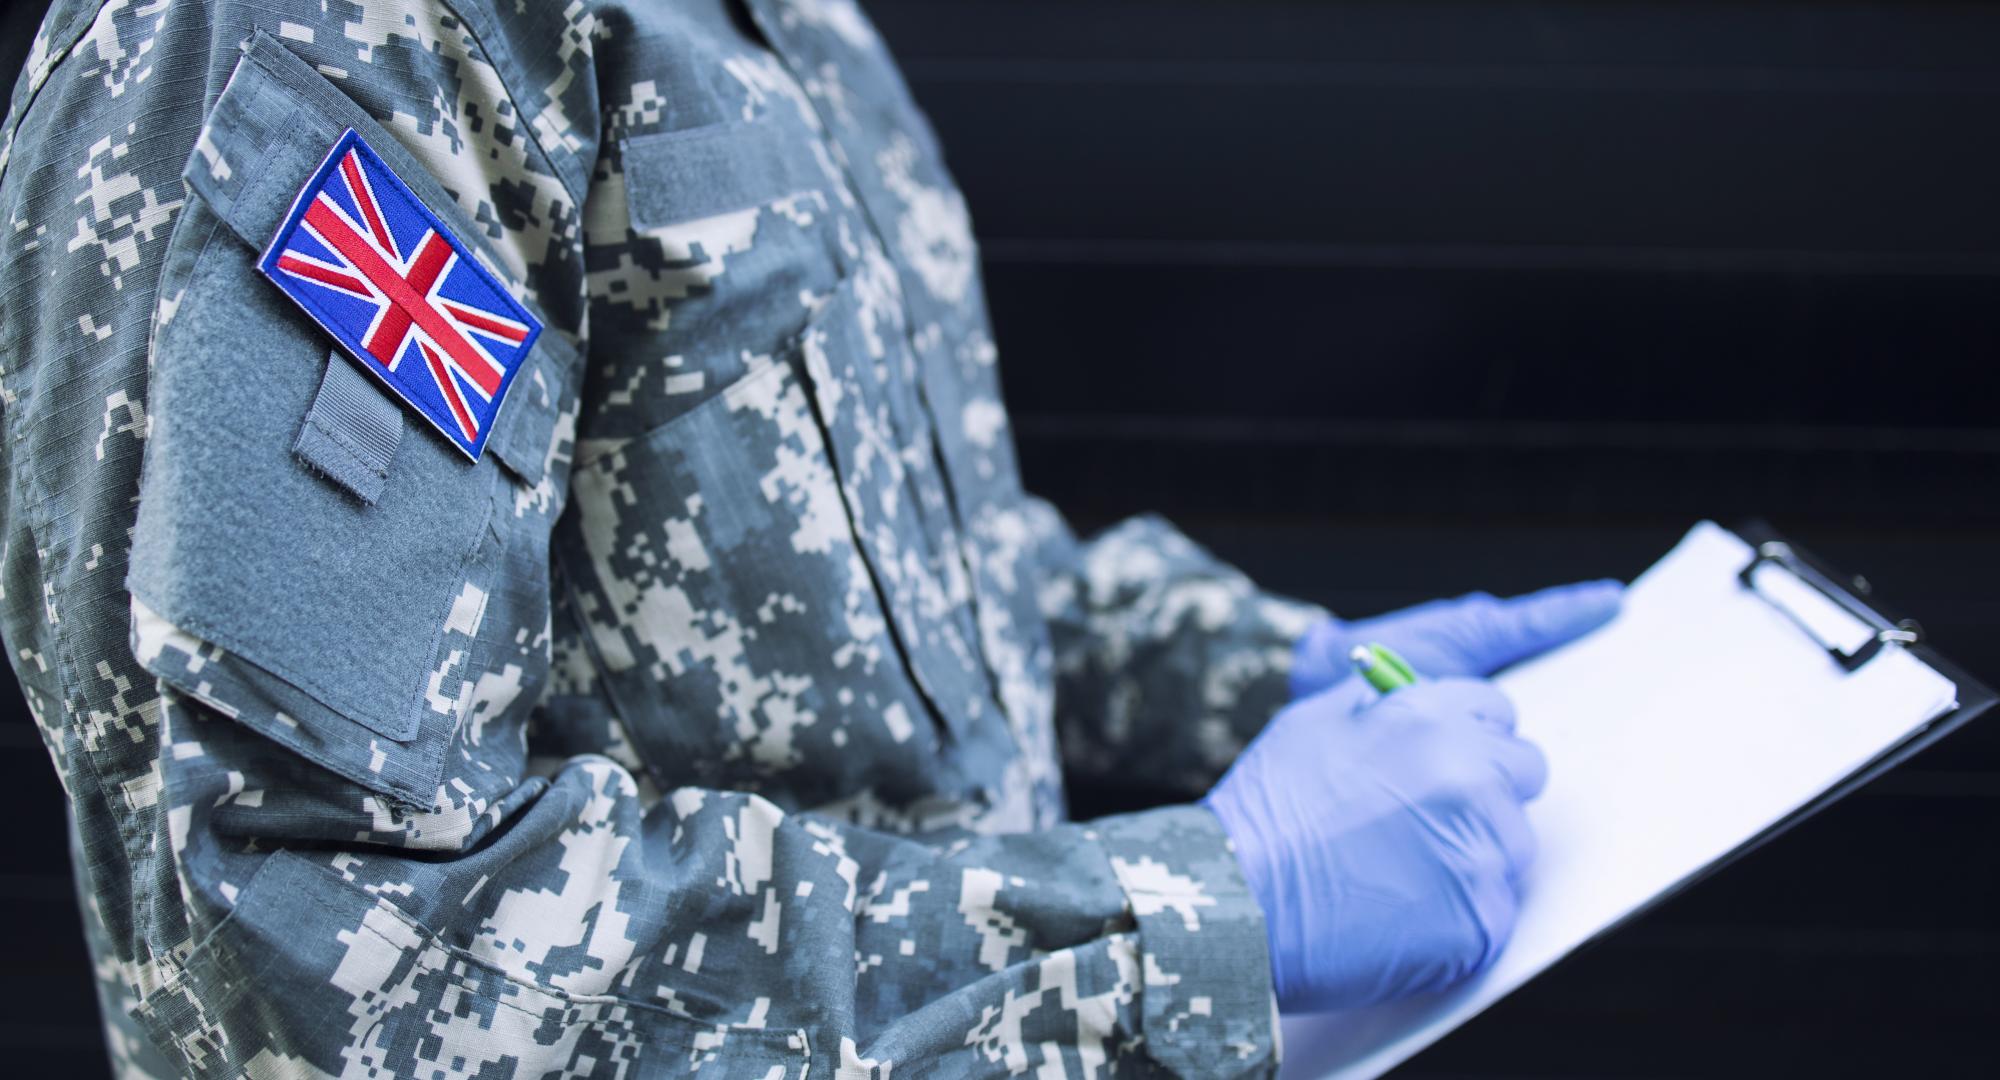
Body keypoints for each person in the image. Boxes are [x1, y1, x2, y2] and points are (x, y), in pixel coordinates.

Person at [0, 1, 1619, 1075]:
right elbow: (308, 939)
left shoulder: (781, 22)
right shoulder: (339, 35)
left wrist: (1253, 671)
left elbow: (852, 557)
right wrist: (1197, 909)